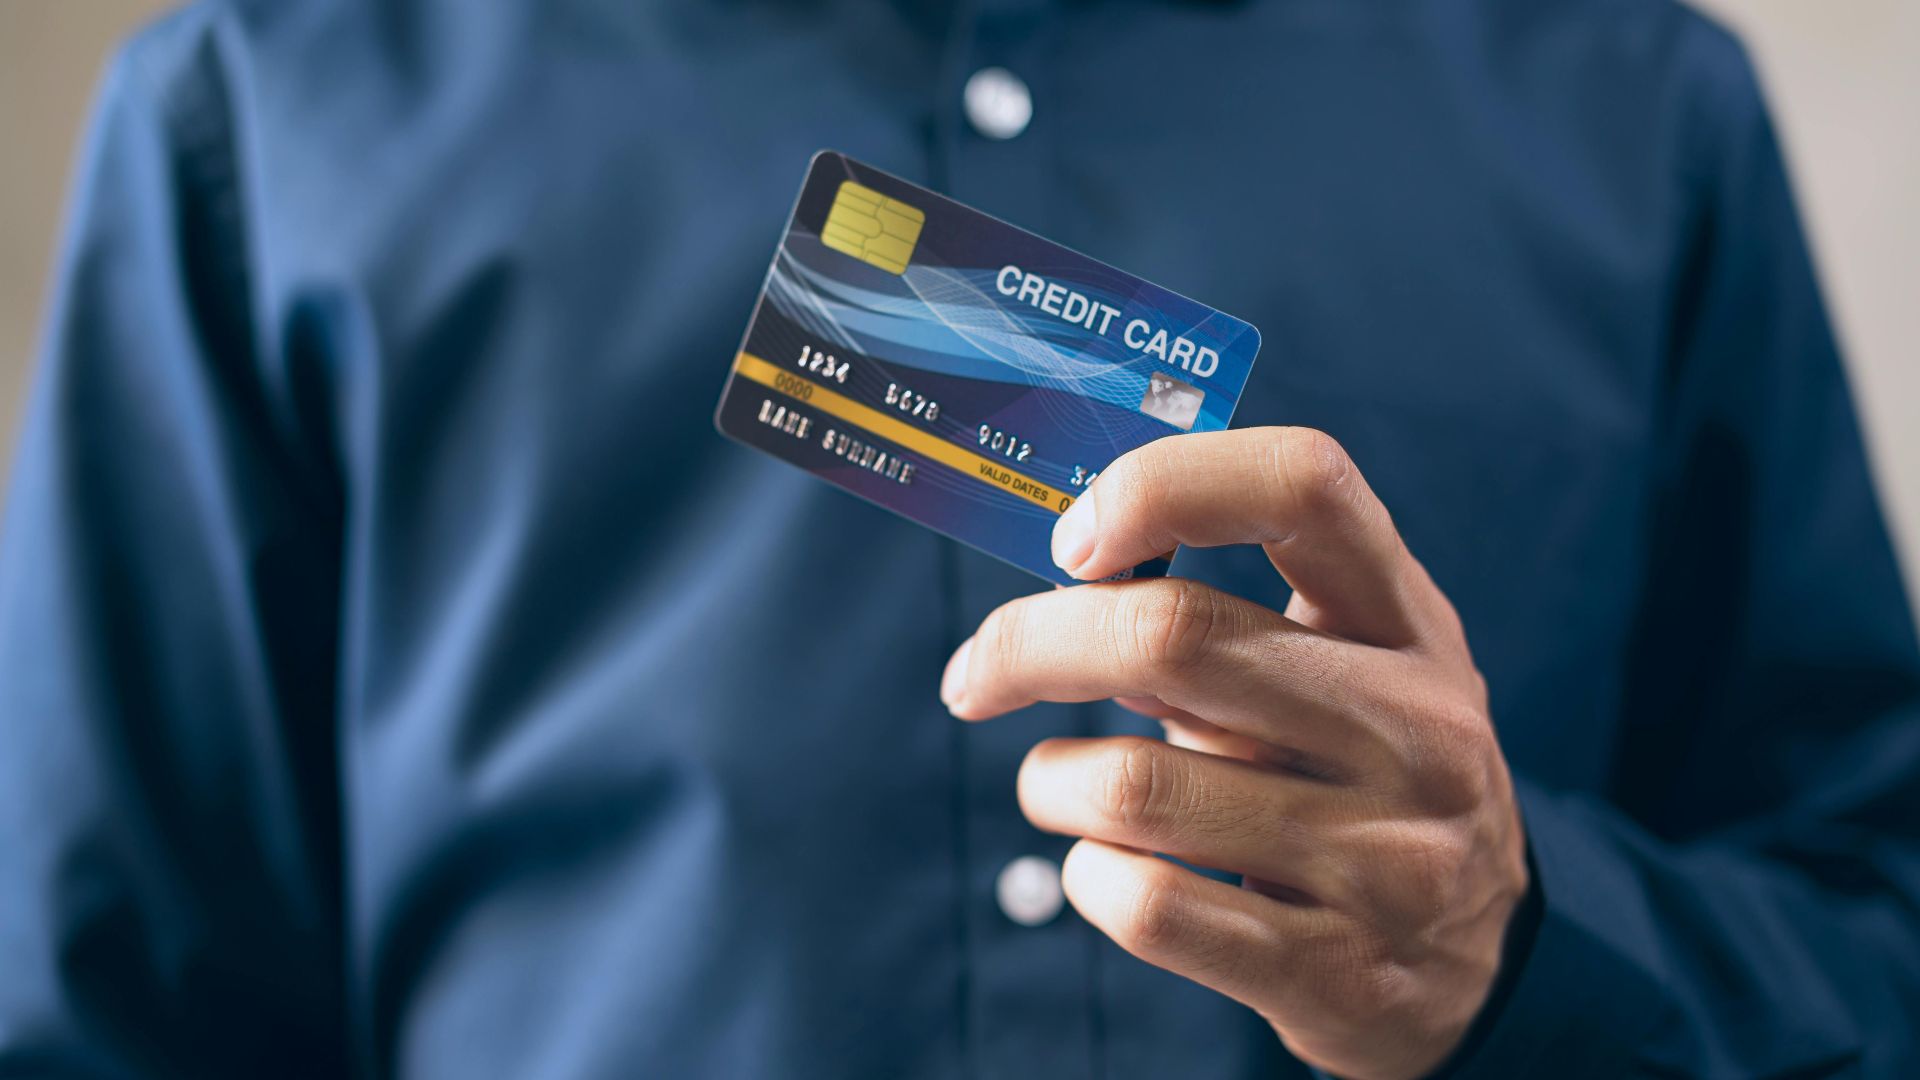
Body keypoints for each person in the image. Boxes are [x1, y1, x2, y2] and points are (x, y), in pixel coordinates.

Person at [2, 1, 1915, 1076]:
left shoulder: (1628, 107)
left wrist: (1524, 939)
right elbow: (108, 1025)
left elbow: (1878, 945)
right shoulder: (271, 110)